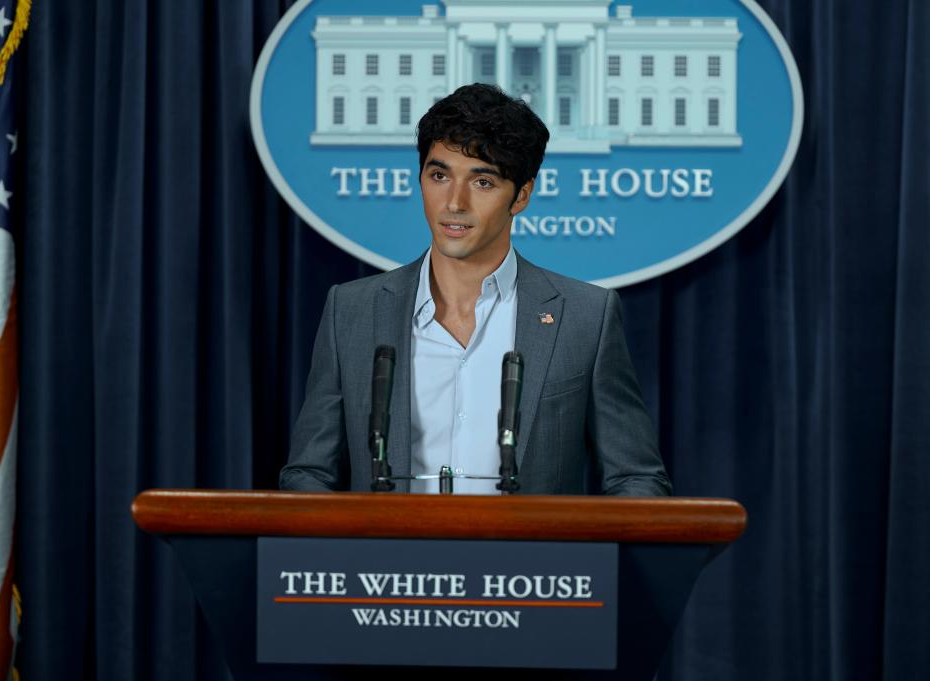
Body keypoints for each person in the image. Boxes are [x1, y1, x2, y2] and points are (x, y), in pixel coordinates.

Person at [280, 83, 671, 496]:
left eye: (482, 182)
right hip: (389, 560)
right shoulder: (351, 312)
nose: (454, 202)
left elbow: (636, 479)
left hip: (531, 560)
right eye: (439, 175)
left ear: (520, 196)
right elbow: (309, 475)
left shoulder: (585, 317)